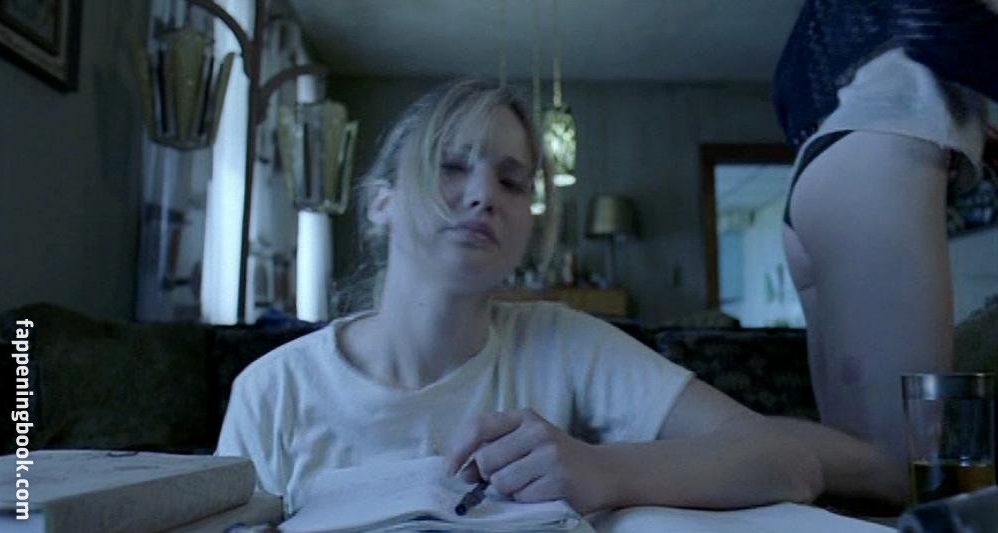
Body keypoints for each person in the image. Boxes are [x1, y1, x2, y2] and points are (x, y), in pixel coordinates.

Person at [215, 79, 826, 517]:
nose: (485, 195)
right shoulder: (272, 392)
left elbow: (786, 462)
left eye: (512, 182)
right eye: (451, 166)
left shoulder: (562, 342)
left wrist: (600, 469)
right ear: (381, 202)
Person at [773, 0, 998, 493]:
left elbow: (788, 88)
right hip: (880, 163)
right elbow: (930, 19)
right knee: (903, 463)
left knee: (860, 466)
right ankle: (651, 451)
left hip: (831, 169)